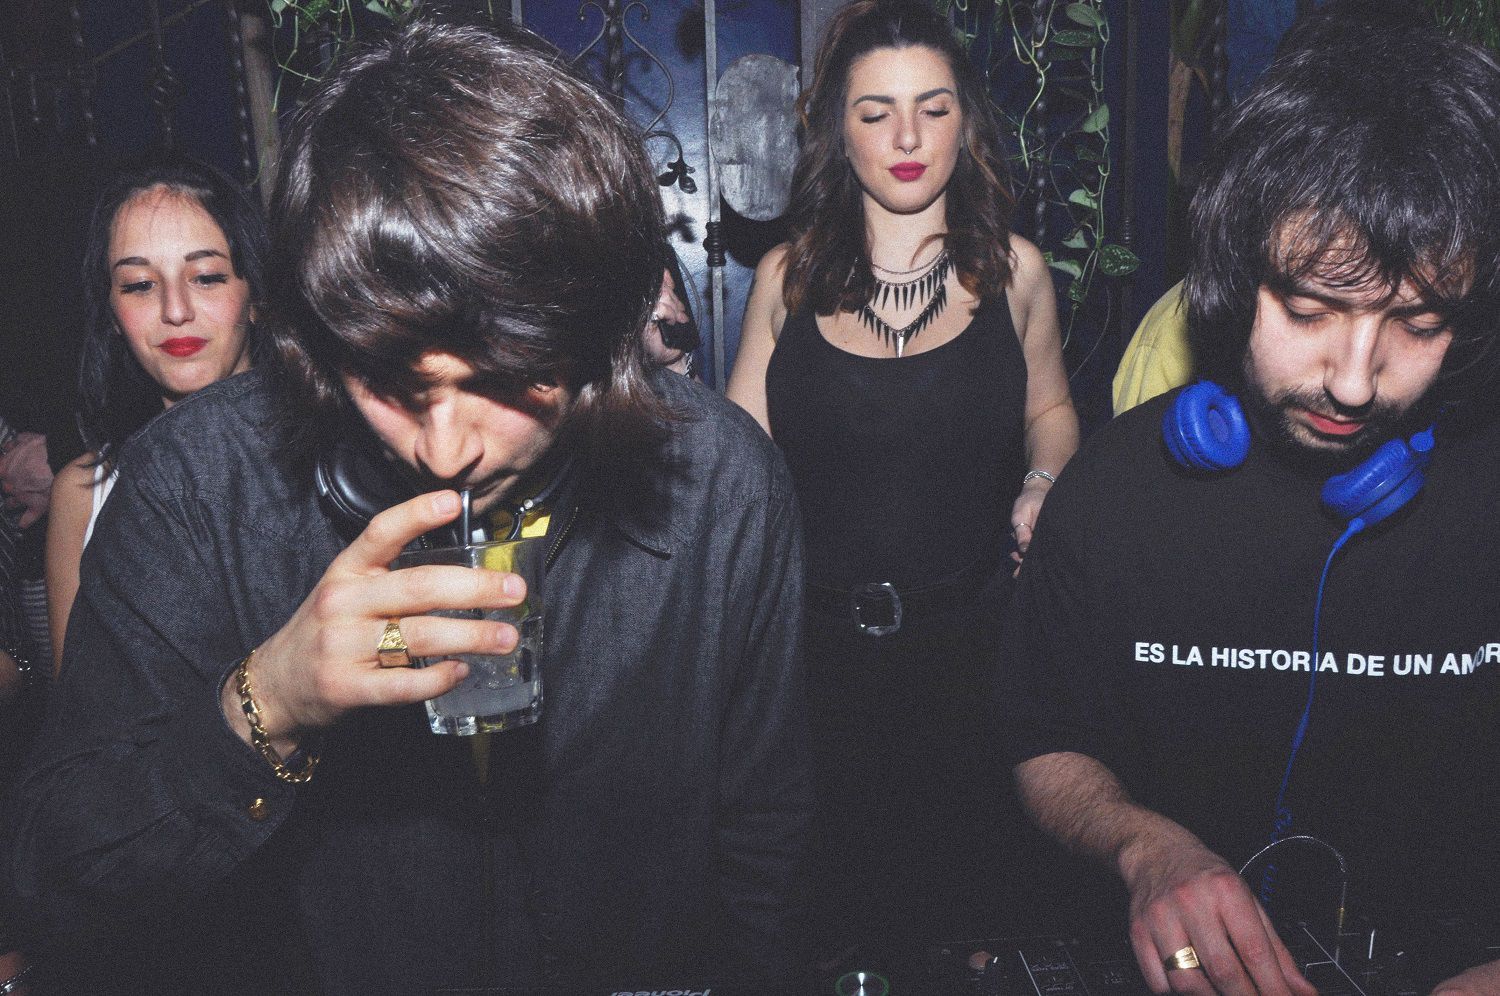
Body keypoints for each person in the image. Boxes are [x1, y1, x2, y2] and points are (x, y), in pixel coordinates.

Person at [3, 21, 808, 995]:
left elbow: (765, 845)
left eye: (505, 378)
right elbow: (51, 877)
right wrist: (270, 703)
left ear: (594, 330)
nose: (446, 447)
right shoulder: (197, 482)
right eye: (390, 382)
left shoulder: (721, 481)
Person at [1003, 19, 1500, 996]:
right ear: (1235, 278)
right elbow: (1042, 738)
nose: (1354, 380)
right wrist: (1143, 844)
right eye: (1310, 310)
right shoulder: (1113, 493)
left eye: (1417, 322)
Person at [725, 0, 1078, 967]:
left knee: (969, 939)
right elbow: (739, 458)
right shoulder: (785, 279)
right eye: (876, 112)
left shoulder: (1017, 274)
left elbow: (1051, 409)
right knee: (822, 939)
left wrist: (1044, 480)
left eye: (933, 107)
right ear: (839, 133)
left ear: (967, 122)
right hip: (813, 672)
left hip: (974, 664)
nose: (909, 137)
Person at [45, 159, 270, 671]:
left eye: (206, 277)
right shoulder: (84, 493)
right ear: (112, 314)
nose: (175, 309)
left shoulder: (334, 463)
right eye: (140, 285)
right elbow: (84, 713)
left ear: (255, 297)